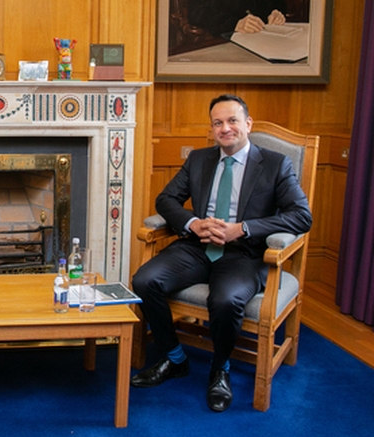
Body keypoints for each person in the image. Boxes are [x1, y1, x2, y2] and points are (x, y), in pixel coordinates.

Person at [130, 94, 312, 412]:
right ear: (212, 128)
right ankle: (175, 357)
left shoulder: (275, 164)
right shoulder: (199, 159)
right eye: (217, 123)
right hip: (198, 246)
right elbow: (166, 199)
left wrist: (243, 228)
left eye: (232, 121)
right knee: (144, 280)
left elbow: (301, 216)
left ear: (247, 124)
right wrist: (193, 223)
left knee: (226, 300)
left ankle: (220, 368)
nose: (225, 128)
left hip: (244, 253)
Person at [187, 0, 288, 38]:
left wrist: (275, 12)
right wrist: (235, 24)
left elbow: (275, 3)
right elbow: (196, 12)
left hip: (263, 39)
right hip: (224, 42)